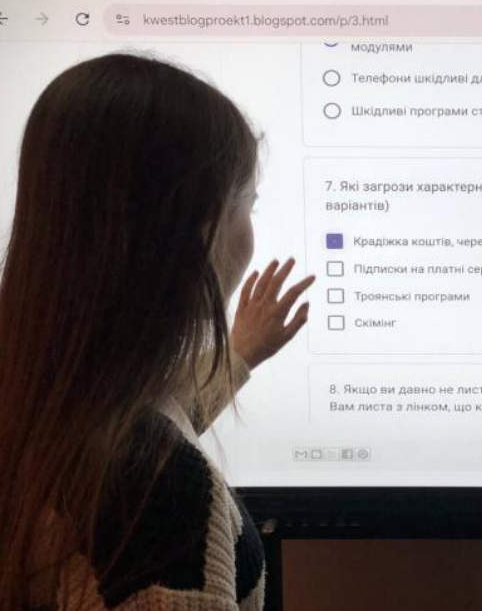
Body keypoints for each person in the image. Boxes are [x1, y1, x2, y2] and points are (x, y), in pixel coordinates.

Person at [0, 54, 314, 611]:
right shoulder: (158, 494)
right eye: (247, 205)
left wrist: (240, 353)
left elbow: (145, 422)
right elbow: (142, 456)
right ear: (197, 227)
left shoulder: (37, 396)